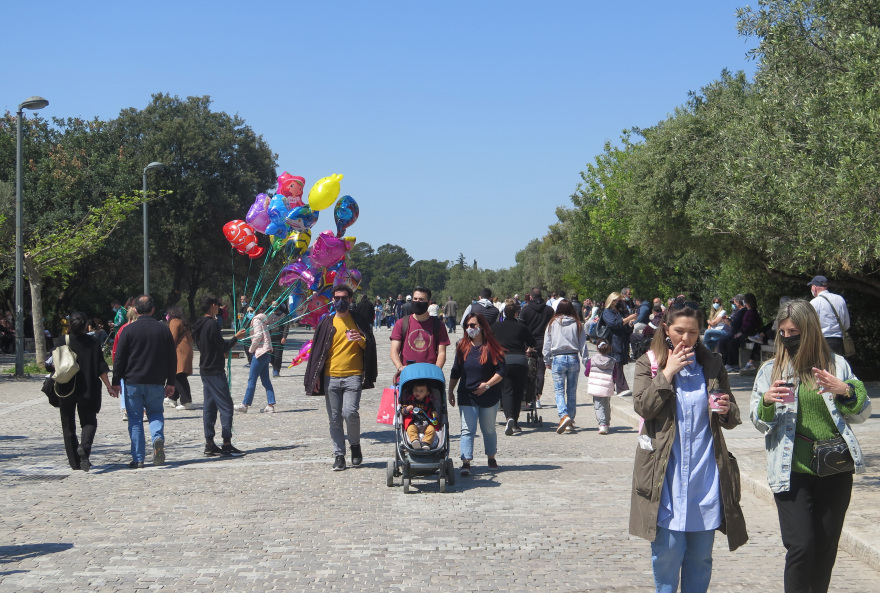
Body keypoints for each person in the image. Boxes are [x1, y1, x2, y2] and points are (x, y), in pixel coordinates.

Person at [750, 299, 870, 593]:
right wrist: (766, 401)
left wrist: (844, 390)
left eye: (795, 331)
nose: (789, 337)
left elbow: (862, 412)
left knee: (826, 547)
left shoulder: (836, 365)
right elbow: (757, 419)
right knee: (801, 546)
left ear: (811, 331)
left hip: (834, 469)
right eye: (784, 332)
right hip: (791, 471)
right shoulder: (771, 370)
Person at [630, 301, 748, 592]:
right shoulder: (650, 362)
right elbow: (644, 407)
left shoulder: (712, 364)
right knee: (667, 556)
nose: (686, 338)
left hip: (704, 477)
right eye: (679, 331)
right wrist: (667, 373)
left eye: (693, 332)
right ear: (666, 329)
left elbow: (732, 417)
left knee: (701, 558)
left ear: (701, 332)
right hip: (665, 476)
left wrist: (725, 409)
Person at [303, 284, 378, 471]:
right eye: (337, 298)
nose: (340, 301)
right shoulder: (326, 322)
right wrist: (316, 376)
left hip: (353, 375)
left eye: (344, 298)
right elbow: (317, 352)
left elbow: (369, 346)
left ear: (351, 300)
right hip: (331, 377)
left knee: (350, 412)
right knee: (334, 418)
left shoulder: (359, 320)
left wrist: (360, 339)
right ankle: (339, 455)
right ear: (332, 300)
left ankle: (355, 445)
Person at [111, 295, 177, 469]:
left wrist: (116, 381)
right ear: (153, 309)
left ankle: (138, 458)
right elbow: (172, 357)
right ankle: (157, 438)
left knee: (135, 419)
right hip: (156, 381)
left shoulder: (128, 330)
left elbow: (119, 359)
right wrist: (171, 381)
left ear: (136, 310)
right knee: (155, 412)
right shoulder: (163, 329)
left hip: (133, 381)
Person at [53, 312, 114, 471]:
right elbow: (101, 367)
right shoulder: (92, 342)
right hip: (87, 388)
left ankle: (75, 463)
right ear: (86, 325)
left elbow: (50, 364)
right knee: (89, 422)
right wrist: (108, 386)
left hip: (65, 389)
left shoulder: (61, 341)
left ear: (70, 324)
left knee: (68, 426)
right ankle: (84, 449)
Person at [448, 312, 506, 476]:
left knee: (488, 429)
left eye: (472, 325)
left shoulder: (492, 347)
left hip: (489, 395)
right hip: (467, 395)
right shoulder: (462, 346)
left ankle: (491, 457)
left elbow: (502, 371)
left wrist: (487, 385)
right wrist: (450, 390)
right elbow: (456, 370)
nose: (469, 328)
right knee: (467, 429)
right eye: (467, 326)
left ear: (481, 326)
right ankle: (466, 461)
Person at [192, 295, 247, 457]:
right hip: (215, 370)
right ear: (214, 305)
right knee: (226, 406)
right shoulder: (212, 325)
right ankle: (227, 443)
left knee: (209, 407)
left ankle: (209, 443)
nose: (221, 308)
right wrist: (236, 337)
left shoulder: (198, 325)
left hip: (204, 369)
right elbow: (222, 346)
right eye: (219, 306)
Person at [491, 299, 536, 435]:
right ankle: (515, 422)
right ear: (517, 313)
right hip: (520, 361)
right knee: (518, 392)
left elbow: (489, 342)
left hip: (503, 361)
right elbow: (532, 342)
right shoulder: (521, 327)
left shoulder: (495, 327)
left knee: (506, 391)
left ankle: (509, 417)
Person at [543, 299, 587, 434]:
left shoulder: (552, 323)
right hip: (573, 357)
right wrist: (586, 361)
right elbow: (583, 345)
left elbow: (547, 342)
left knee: (559, 390)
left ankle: (564, 415)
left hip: (558, 357)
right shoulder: (578, 324)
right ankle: (570, 420)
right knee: (572, 390)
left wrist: (547, 359)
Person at [390, 286, 450, 373]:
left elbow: (442, 353)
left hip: (430, 374)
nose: (417, 302)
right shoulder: (401, 323)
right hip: (407, 374)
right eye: (415, 299)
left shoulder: (438, 325)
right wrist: (399, 367)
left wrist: (436, 370)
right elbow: (394, 350)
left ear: (429, 302)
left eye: (421, 299)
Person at [235, 304, 277, 414]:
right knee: (265, 380)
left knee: (252, 380)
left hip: (259, 353)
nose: (250, 313)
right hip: (266, 353)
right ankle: (270, 405)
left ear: (255, 311)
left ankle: (245, 405)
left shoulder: (256, 320)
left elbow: (258, 336)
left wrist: (251, 349)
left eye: (251, 311)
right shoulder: (263, 320)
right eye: (248, 311)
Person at [519, 287, 555, 408]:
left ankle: (529, 398)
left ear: (530, 297)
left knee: (528, 372)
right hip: (544, 343)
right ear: (542, 296)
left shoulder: (525, 310)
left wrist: (524, 345)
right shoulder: (549, 310)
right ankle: (538, 398)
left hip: (529, 344)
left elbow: (521, 329)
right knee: (541, 371)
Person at [603, 292, 638, 397]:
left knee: (617, 363)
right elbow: (614, 324)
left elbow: (625, 327)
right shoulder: (607, 312)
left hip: (622, 340)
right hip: (612, 341)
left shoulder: (621, 312)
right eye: (617, 301)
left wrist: (630, 323)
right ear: (612, 301)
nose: (620, 303)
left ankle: (611, 386)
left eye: (620, 301)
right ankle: (622, 387)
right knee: (616, 363)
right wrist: (628, 319)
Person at [808, 275, 852, 356]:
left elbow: (810, 326)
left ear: (814, 287)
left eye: (811, 287)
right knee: (838, 367)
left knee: (823, 368)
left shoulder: (814, 302)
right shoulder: (840, 299)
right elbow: (846, 325)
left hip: (822, 342)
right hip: (839, 342)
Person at [164, 305, 195, 410]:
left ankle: (187, 401)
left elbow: (171, 339)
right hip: (185, 350)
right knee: (178, 375)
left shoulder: (174, 322)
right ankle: (172, 398)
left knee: (179, 376)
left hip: (179, 352)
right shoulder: (183, 322)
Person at [723, 293, 761, 373]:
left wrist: (740, 333)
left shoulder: (751, 312)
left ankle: (732, 364)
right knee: (730, 342)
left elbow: (747, 326)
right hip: (747, 333)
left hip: (749, 335)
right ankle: (731, 364)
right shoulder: (750, 311)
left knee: (732, 342)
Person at [584, 340, 616, 435]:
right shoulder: (612, 361)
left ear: (597, 348)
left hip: (596, 386)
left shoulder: (592, 359)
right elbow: (615, 375)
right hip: (607, 386)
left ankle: (602, 424)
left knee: (598, 406)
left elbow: (586, 373)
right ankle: (606, 422)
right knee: (606, 404)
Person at [112, 306, 138, 421]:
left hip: (125, 364)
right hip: (139, 364)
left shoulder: (123, 328)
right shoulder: (141, 328)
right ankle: (143, 410)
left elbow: (116, 348)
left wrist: (115, 363)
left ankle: (127, 410)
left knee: (124, 387)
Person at [399, 380, 439, 449]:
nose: (417, 392)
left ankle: (425, 443)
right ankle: (415, 441)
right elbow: (402, 411)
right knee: (410, 429)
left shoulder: (429, 403)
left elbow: (434, 411)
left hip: (426, 423)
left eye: (421, 391)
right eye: (415, 390)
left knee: (431, 430)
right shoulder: (409, 401)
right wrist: (407, 409)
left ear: (427, 393)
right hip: (413, 423)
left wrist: (434, 413)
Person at [267, 300, 290, 377]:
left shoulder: (283, 316)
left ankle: (276, 370)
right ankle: (274, 366)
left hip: (279, 339)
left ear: (279, 306)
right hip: (269, 339)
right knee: (270, 356)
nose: (274, 307)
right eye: (273, 305)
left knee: (278, 355)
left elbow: (286, 327)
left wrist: (284, 337)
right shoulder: (268, 315)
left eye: (275, 305)